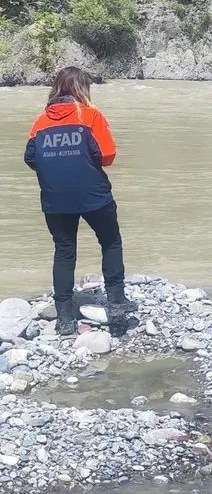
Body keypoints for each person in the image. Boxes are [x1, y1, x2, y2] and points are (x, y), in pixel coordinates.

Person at [24, 67, 135, 337]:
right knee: (110, 242)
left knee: (64, 251)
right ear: (82, 89)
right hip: (93, 196)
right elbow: (107, 155)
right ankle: (117, 308)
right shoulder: (91, 115)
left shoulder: (40, 121)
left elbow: (30, 158)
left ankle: (64, 318)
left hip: (55, 199)